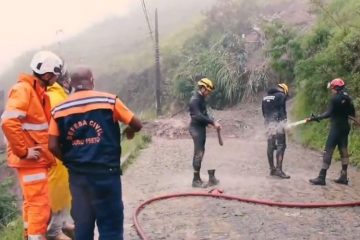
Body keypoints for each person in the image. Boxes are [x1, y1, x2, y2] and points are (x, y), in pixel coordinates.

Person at [48, 66, 142, 240]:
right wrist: (129, 131)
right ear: (91, 81)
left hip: (78, 178)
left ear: (72, 84)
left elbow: (52, 145)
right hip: (106, 175)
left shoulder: (59, 110)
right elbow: (137, 124)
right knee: (111, 227)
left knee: (83, 227)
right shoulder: (109, 101)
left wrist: (69, 161)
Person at [1, 50, 63, 240]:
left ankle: (29, 235)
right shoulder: (25, 90)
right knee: (39, 205)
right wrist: (24, 151)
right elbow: (8, 122)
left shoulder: (36, 92)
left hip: (33, 160)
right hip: (31, 161)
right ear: (46, 75)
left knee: (31, 203)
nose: (57, 77)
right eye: (55, 74)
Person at [309, 78, 355, 186]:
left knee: (328, 150)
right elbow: (352, 113)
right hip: (345, 128)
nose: (331, 90)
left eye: (332, 88)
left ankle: (321, 177)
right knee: (343, 150)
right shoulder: (348, 97)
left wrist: (317, 117)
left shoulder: (335, 99)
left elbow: (328, 113)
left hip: (336, 128)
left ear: (335, 88)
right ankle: (344, 176)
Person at [46, 65, 74, 240]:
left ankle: (63, 225)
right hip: (55, 158)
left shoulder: (52, 95)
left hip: (54, 158)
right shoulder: (56, 98)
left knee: (62, 195)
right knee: (56, 195)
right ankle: (55, 230)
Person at [188, 78, 221, 188]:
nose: (208, 93)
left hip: (200, 128)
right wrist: (211, 122)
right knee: (199, 152)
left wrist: (213, 122)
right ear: (202, 88)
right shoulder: (195, 100)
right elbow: (198, 115)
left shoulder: (201, 99)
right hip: (195, 129)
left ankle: (209, 177)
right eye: (207, 91)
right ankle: (195, 180)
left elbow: (205, 114)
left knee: (201, 151)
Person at [261, 83, 290, 179]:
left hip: (268, 124)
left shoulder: (265, 97)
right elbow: (282, 111)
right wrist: (284, 123)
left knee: (270, 146)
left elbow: (264, 113)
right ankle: (279, 170)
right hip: (278, 124)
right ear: (284, 90)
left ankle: (272, 169)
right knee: (281, 145)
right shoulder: (281, 95)